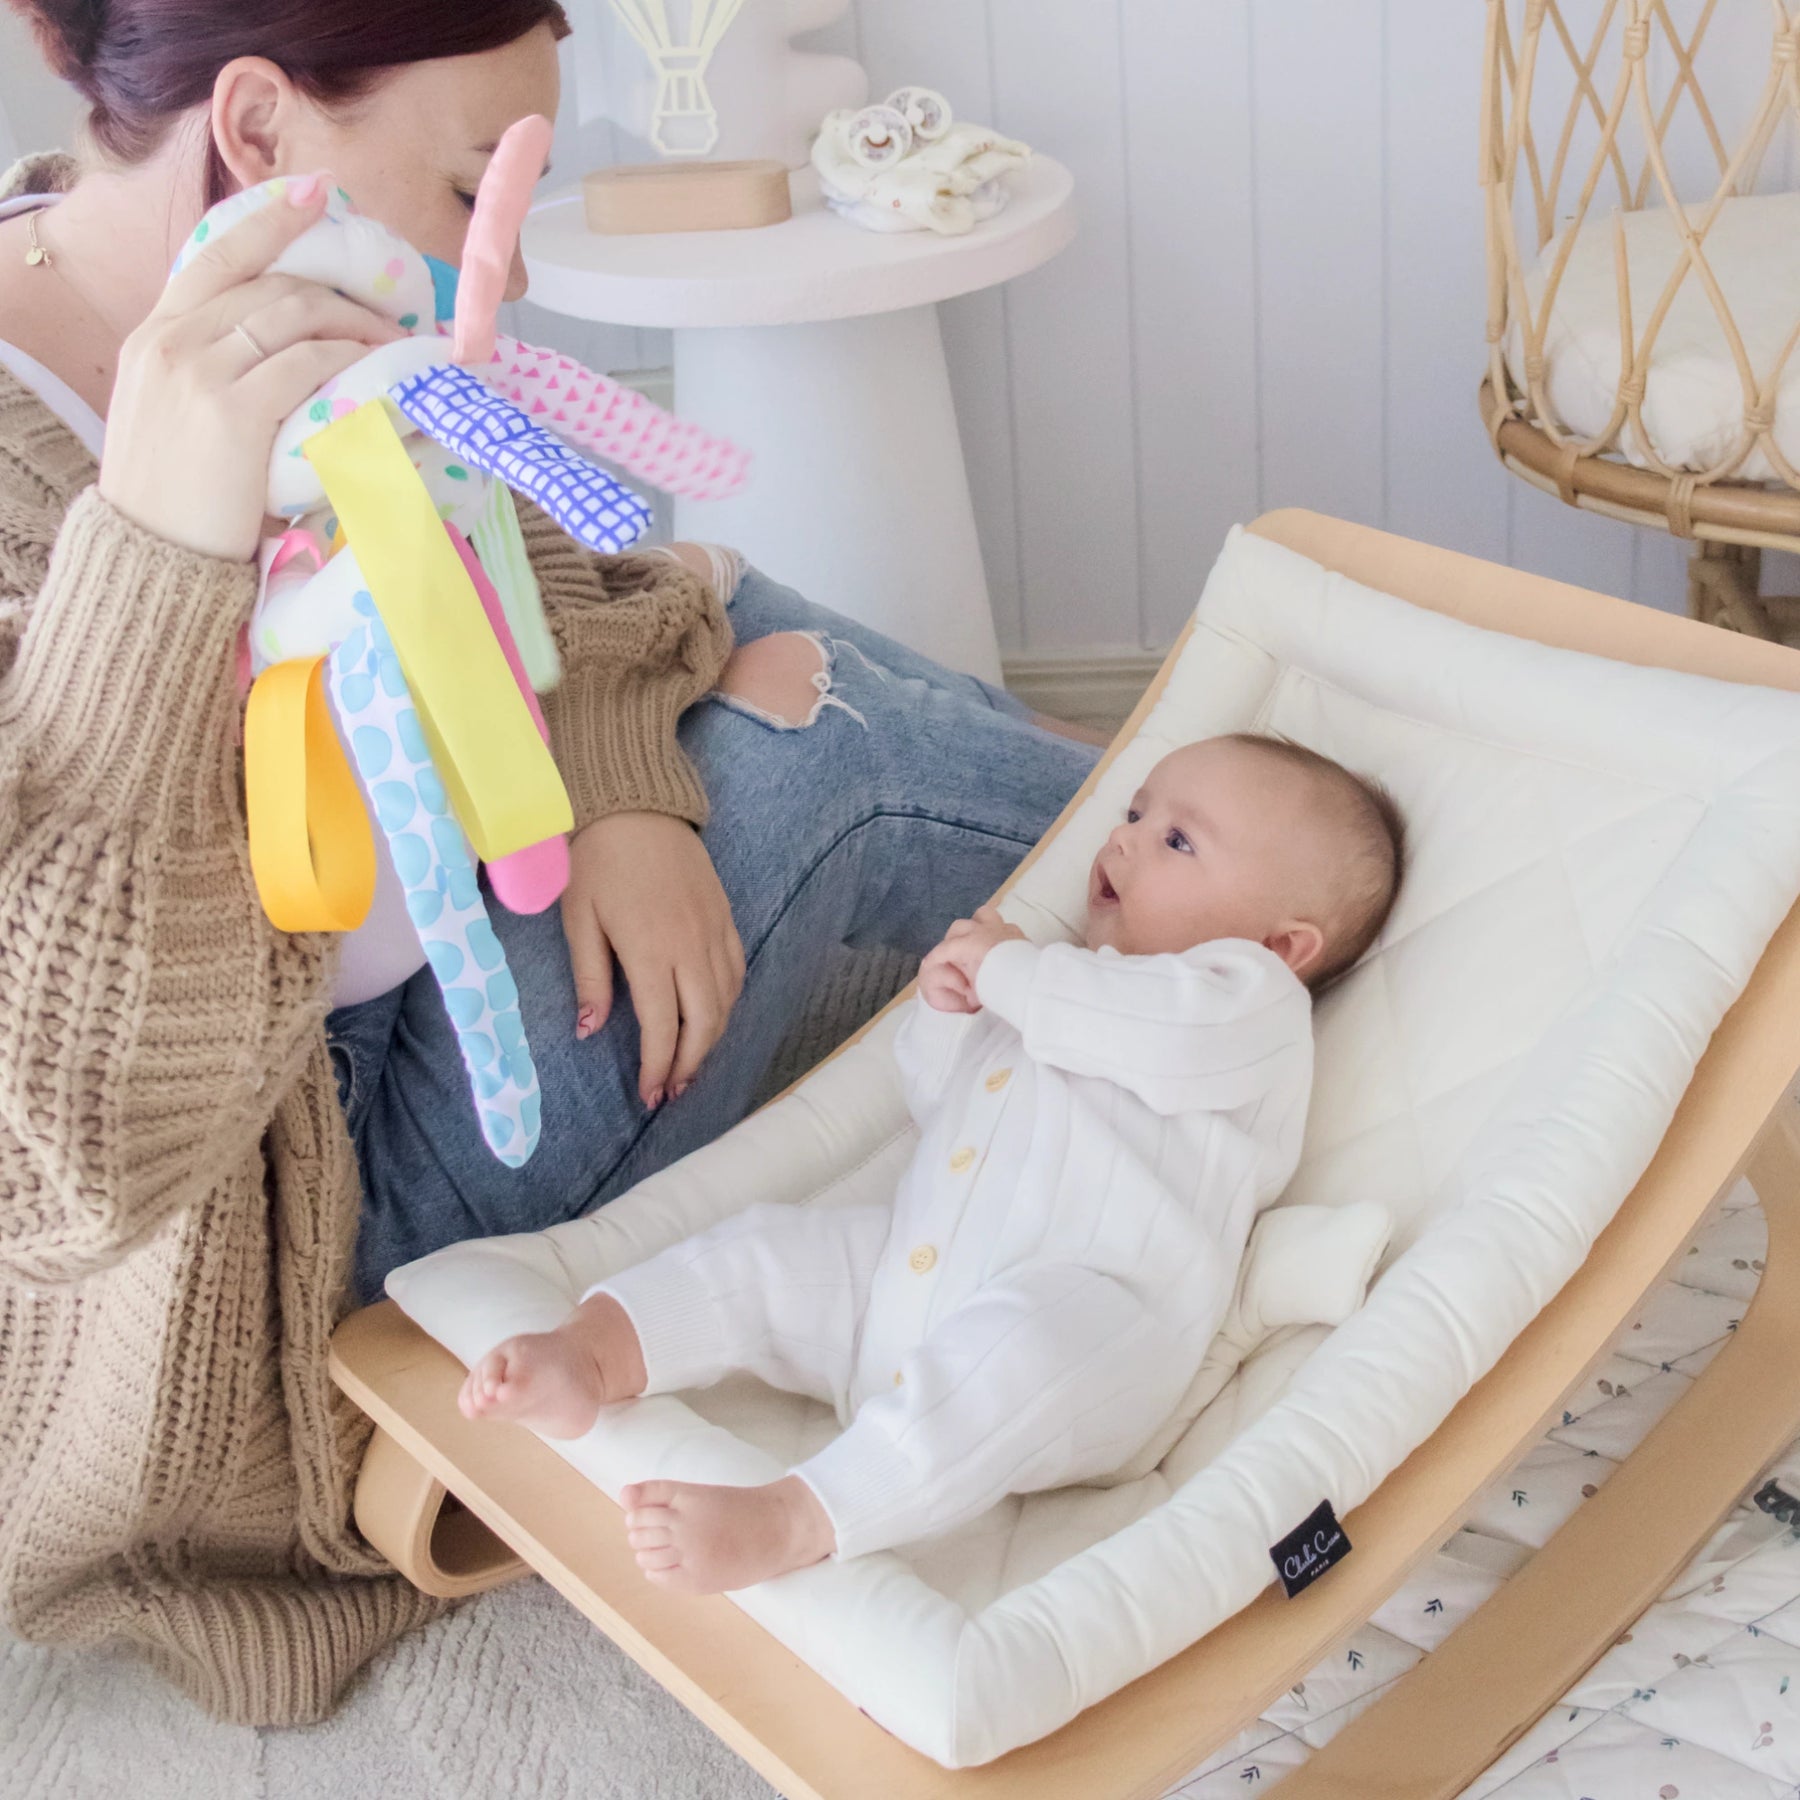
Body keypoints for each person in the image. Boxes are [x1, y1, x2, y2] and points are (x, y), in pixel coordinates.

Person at [0, 0, 1099, 1722]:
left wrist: (617, 783)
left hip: (410, 975)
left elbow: (568, 553)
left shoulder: (308, 317)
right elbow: (54, 1160)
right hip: (256, 1248)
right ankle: (1248, 873)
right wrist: (158, 543)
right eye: (464, 184)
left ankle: (1212, 828)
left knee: (765, 635)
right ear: (257, 127)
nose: (479, 247)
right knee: (838, 759)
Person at [459, 735, 1406, 1593]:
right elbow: (943, 1103)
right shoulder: (1055, 973)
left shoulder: (1247, 1006)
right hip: (907, 1272)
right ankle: (593, 1352)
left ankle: (800, 1515)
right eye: (1133, 814)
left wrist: (1012, 977)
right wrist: (952, 1014)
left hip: (1095, 1320)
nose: (1124, 842)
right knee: (760, 1252)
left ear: (1284, 945)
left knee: (1005, 1362)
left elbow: (1159, 1034)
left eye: (1178, 842)